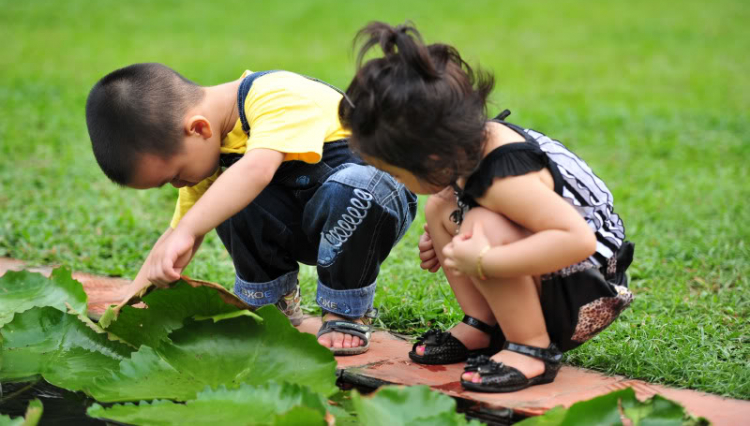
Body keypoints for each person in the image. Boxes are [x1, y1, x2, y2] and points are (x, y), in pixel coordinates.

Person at [339, 22, 634, 391]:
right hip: (559, 277)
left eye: (394, 172)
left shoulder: (506, 179)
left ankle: (532, 350)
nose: (395, 181)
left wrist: (484, 260)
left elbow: (578, 241)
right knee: (443, 207)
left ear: (430, 156)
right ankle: (483, 325)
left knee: (482, 228)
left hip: (590, 292)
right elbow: (459, 208)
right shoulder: (465, 150)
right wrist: (448, 233)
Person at [85, 64, 417, 355]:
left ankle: (345, 313)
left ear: (198, 129)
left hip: (372, 202)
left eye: (175, 176)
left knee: (349, 188)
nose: (178, 186)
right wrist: (130, 298)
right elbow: (178, 232)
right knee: (224, 199)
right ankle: (272, 302)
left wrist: (188, 230)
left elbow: (256, 170)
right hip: (309, 222)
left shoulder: (277, 94)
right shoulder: (213, 149)